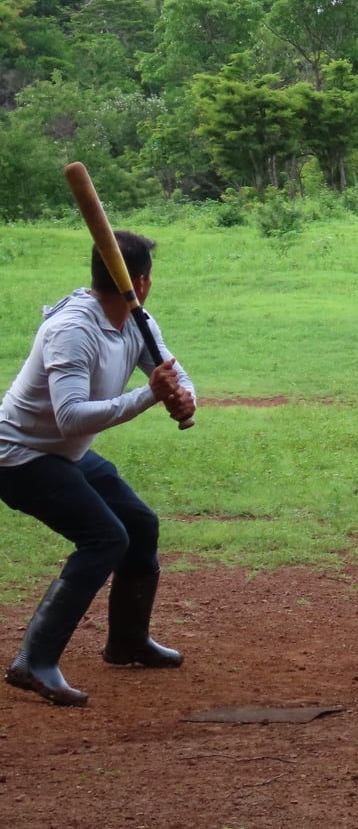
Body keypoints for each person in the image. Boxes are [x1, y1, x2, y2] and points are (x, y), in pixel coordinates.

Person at [0, 230, 196, 707]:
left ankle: (127, 641)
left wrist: (183, 395)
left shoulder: (136, 320)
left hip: (62, 451)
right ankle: (34, 660)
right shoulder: (73, 329)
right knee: (106, 537)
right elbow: (70, 418)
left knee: (139, 524)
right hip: (18, 454)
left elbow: (170, 369)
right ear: (143, 281)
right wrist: (149, 394)